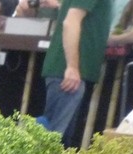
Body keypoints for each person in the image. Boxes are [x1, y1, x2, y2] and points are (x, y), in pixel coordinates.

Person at [19, 0, 112, 143]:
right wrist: (72, 67)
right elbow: (70, 22)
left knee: (56, 136)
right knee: (54, 139)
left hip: (72, 72)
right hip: (70, 74)